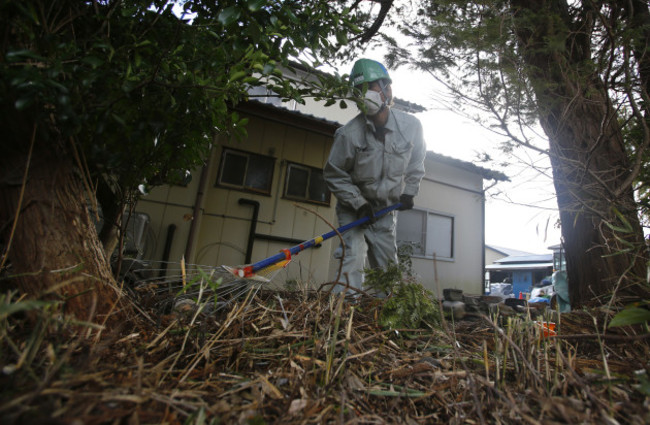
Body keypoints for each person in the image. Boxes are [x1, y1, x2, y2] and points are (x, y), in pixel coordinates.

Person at [324, 58, 426, 294]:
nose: (365, 95)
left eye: (370, 87)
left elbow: (417, 160)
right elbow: (334, 174)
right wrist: (358, 203)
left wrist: (410, 191)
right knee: (352, 260)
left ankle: (385, 320)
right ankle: (344, 317)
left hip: (385, 210)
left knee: (387, 272)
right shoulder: (348, 134)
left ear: (387, 89)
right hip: (354, 211)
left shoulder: (411, 127)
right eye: (360, 91)